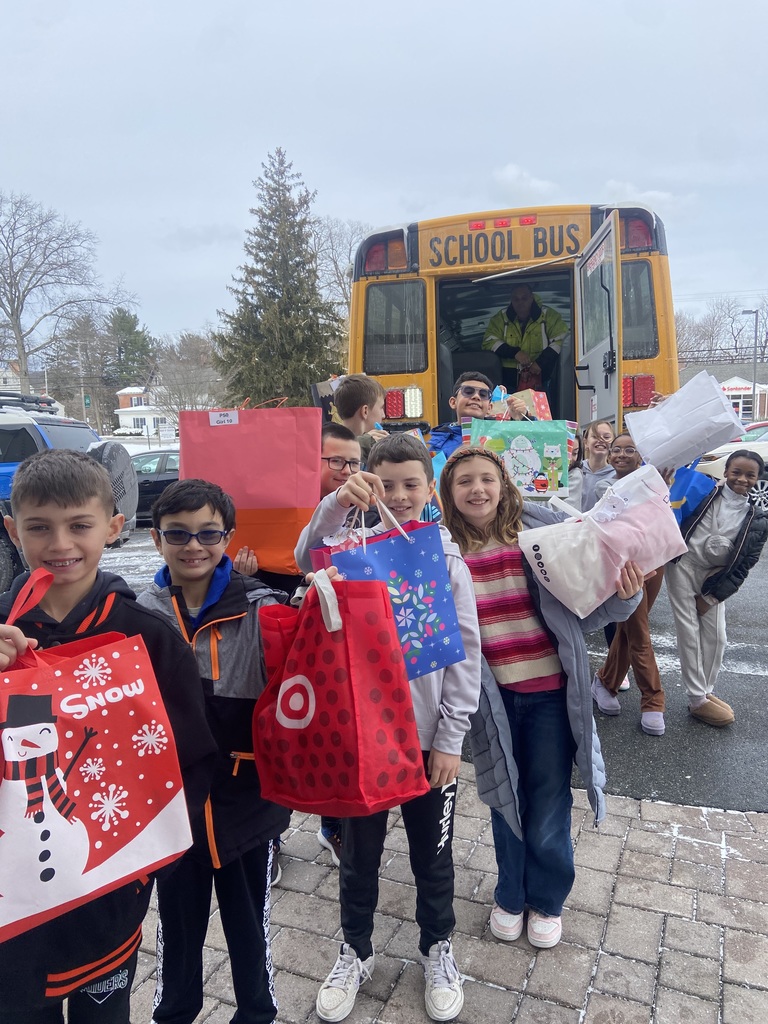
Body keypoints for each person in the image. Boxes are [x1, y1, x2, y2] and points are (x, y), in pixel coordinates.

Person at [0, 450, 216, 1024]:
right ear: (11, 528)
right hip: (13, 906)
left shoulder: (147, 637)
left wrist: (149, 861)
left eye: (79, 525)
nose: (59, 543)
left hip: (109, 892)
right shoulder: (0, 633)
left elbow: (191, 759)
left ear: (115, 528)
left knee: (104, 1012)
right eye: (39, 527)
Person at [295, 433, 481, 1023]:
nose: (399, 496)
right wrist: (336, 503)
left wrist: (451, 737)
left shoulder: (444, 556)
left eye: (411, 485)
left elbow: (465, 653)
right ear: (368, 483)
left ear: (431, 488)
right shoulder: (351, 545)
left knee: (434, 854)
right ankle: (356, 949)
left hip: (427, 740)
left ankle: (437, 946)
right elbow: (305, 556)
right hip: (364, 735)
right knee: (359, 856)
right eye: (386, 484)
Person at [440, 447, 644, 950]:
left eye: (486, 478)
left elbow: (588, 609)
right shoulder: (441, 546)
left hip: (551, 692)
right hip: (490, 699)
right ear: (448, 493)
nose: (477, 489)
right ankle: (511, 894)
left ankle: (548, 899)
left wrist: (625, 595)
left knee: (549, 798)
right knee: (505, 797)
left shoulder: (541, 528)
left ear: (503, 481)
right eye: (464, 481)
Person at [138, 478, 291, 1024]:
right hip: (172, 802)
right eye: (177, 534)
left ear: (228, 536)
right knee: (177, 925)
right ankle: (174, 1012)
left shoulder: (265, 607)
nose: (193, 545)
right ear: (156, 539)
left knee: (249, 922)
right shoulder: (140, 615)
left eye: (207, 533)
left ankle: (256, 1011)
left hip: (248, 798)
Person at [665, 449, 768, 727]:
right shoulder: (705, 493)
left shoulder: (757, 519)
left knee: (717, 636)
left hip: (713, 578)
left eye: (750, 475)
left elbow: (743, 565)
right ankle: (697, 698)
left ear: (758, 479)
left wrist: (711, 596)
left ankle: (706, 691)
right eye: (736, 472)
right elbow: (675, 486)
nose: (742, 479)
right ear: (725, 472)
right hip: (683, 566)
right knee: (688, 632)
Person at [590, 435, 667, 736]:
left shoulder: (654, 479)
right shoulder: (603, 486)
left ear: (640, 455)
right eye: (616, 449)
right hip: (624, 565)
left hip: (656, 559)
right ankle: (653, 700)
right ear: (609, 456)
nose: (622, 454)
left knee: (629, 629)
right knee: (639, 631)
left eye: (629, 449)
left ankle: (606, 681)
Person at [482, 283, 569, 395]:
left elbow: (562, 340)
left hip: (541, 382)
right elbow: (488, 341)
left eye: (524, 298)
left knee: (541, 412)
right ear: (511, 300)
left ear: (532, 298)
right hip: (509, 385)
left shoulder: (549, 316)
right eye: (516, 299)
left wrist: (540, 363)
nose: (520, 303)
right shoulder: (500, 318)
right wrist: (515, 353)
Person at [428, 372, 528, 459]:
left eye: (483, 394)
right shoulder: (439, 442)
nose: (476, 396)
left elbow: (531, 446)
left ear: (489, 408)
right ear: (453, 402)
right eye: (468, 391)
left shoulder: (502, 434)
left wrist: (523, 418)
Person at [333, 374, 388, 465]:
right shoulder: (332, 448)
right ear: (365, 411)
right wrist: (364, 444)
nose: (383, 415)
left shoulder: (329, 441)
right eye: (381, 408)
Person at [580, 419, 616, 512]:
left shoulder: (616, 475)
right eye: (595, 436)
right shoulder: (575, 470)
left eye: (606, 437)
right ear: (586, 443)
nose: (601, 440)